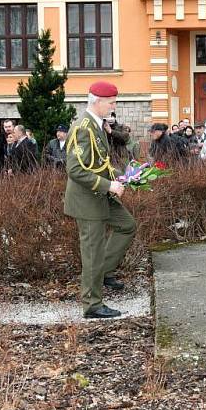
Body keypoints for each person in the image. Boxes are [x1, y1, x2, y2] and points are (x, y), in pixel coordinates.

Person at [64, 81, 136, 319]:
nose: (113, 107)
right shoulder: (83, 127)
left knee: (126, 226)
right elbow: (75, 169)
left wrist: (120, 175)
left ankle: (103, 271)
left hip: (101, 194)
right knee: (92, 252)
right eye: (111, 102)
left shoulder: (98, 125)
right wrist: (109, 185)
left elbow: (98, 163)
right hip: (87, 199)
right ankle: (92, 305)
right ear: (96, 101)